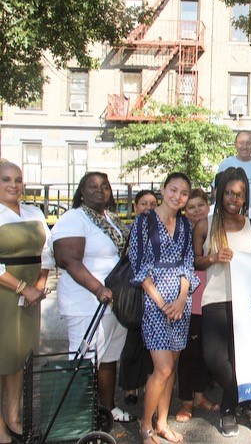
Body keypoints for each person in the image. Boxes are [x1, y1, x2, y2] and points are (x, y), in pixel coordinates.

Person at [52, 172, 134, 423]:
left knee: (108, 358)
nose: (100, 190)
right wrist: (98, 288)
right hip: (87, 302)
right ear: (82, 191)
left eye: (105, 186)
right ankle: (78, 418)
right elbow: (68, 260)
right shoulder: (74, 218)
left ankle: (107, 408)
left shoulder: (109, 219)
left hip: (113, 303)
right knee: (84, 362)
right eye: (93, 186)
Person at [193, 168, 251, 437]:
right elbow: (195, 261)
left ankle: (228, 411)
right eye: (229, 193)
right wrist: (213, 258)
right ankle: (247, 399)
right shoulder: (206, 223)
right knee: (214, 359)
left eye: (239, 194)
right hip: (215, 299)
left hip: (247, 303)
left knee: (238, 359)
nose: (234, 199)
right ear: (220, 192)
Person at [130, 173, 198, 444]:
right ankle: (145, 426)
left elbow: (188, 264)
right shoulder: (144, 221)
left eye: (183, 193)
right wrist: (162, 304)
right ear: (162, 189)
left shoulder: (184, 224)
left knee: (174, 363)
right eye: (173, 190)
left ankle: (162, 422)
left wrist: (181, 298)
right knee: (164, 368)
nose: (177, 197)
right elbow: (138, 267)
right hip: (155, 301)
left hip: (180, 303)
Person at [0, 160, 52, 444]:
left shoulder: (34, 211)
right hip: (4, 294)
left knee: (19, 358)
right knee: (0, 356)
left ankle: (14, 416)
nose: (13, 185)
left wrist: (40, 284)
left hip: (31, 296)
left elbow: (48, 251)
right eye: (6, 179)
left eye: (18, 180)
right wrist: (22, 287)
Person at [175, 189, 218, 423]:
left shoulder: (214, 227)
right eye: (191, 207)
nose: (196, 210)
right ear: (185, 210)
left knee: (204, 351)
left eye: (200, 205)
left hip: (209, 297)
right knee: (188, 353)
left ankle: (200, 396)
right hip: (187, 300)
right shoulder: (180, 231)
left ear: (208, 205)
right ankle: (186, 401)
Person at [120, 190, 157, 406]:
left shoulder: (160, 228)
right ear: (136, 207)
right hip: (136, 291)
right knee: (132, 341)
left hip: (155, 292)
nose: (148, 208)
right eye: (143, 203)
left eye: (152, 203)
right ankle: (129, 387)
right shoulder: (133, 229)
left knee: (149, 343)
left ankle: (146, 383)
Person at [216, 131, 251, 209]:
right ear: (235, 144)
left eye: (248, 143)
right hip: (230, 214)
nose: (244, 147)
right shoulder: (225, 164)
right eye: (241, 143)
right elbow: (217, 191)